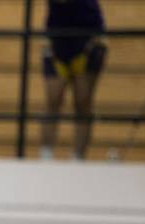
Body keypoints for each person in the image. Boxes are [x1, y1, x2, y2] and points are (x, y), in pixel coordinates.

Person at [39, 0, 106, 160]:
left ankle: (78, 157)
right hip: (58, 39)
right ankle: (45, 156)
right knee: (53, 99)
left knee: (83, 101)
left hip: (87, 38)